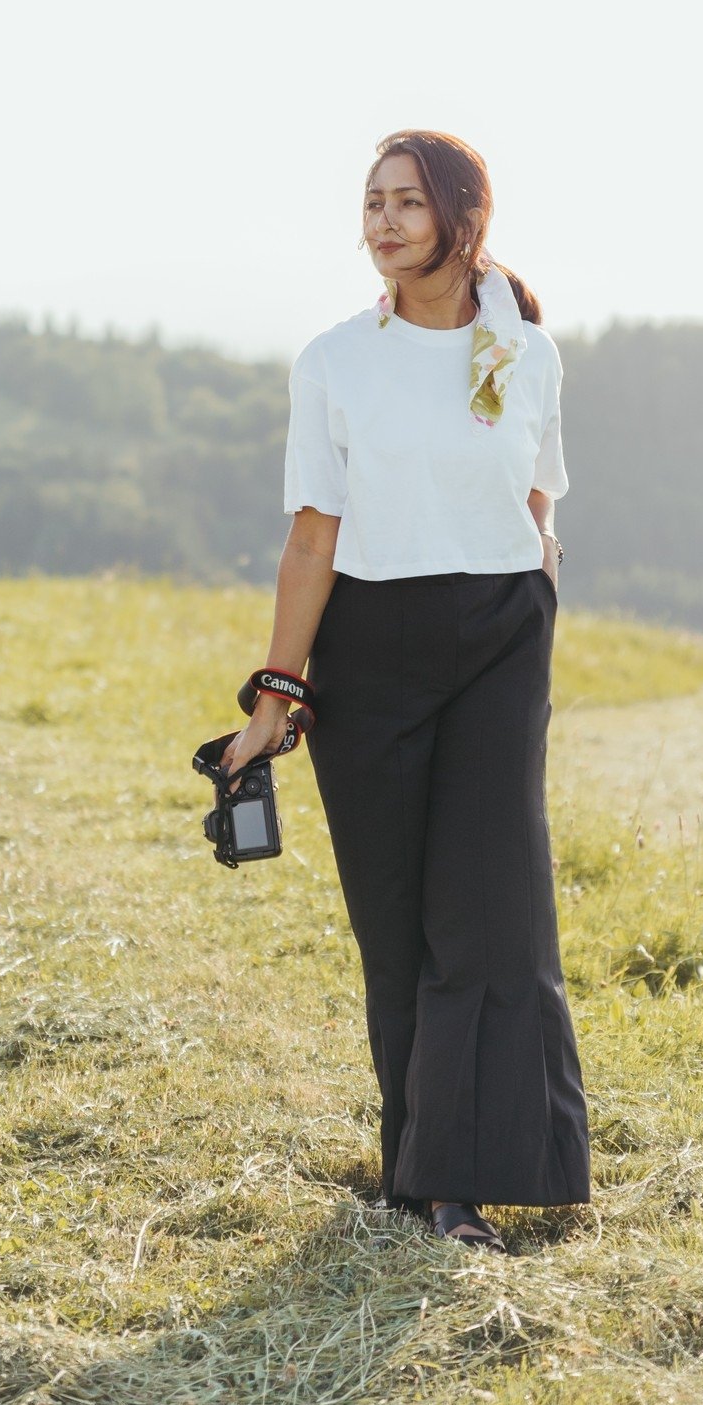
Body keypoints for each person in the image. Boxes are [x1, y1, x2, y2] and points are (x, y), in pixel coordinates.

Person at [220, 128, 590, 1252]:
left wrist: (534, 607)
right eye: (371, 201)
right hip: (371, 648)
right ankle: (414, 1162)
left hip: (495, 638)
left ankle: (456, 1186)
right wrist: (275, 694)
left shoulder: (525, 349)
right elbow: (312, 535)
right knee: (396, 920)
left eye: (406, 201)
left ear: (460, 214)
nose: (383, 221)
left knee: (486, 907)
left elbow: (541, 504)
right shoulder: (334, 358)